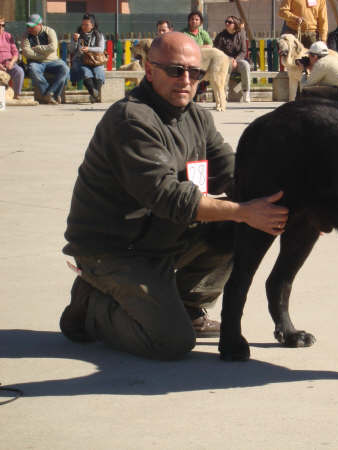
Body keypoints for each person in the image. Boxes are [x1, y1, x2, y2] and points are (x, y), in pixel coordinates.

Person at [59, 32, 289, 360]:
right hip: (114, 249)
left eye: (194, 73)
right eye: (175, 70)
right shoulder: (131, 120)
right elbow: (168, 197)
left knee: (237, 227)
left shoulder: (197, 116)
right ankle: (90, 308)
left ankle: (186, 304)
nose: (186, 80)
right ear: (149, 70)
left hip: (162, 236)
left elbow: (233, 172)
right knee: (170, 342)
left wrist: (293, 203)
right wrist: (241, 210)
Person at [21, 14, 69, 104]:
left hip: (53, 61)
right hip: (36, 62)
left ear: (39, 25)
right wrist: (44, 55)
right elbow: (26, 52)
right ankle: (52, 94)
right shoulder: (26, 35)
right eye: (28, 26)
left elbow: (53, 47)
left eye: (32, 26)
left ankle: (50, 94)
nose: (29, 29)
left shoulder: (50, 31)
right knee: (33, 69)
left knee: (65, 69)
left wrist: (37, 48)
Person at [69, 13, 105, 104]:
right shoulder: (77, 35)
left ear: (92, 25)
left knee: (99, 72)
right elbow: (72, 50)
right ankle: (95, 94)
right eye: (82, 24)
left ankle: (94, 94)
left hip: (95, 60)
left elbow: (101, 49)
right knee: (85, 71)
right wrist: (75, 41)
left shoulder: (99, 35)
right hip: (81, 60)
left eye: (86, 25)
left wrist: (89, 49)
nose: (84, 27)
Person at [214, 16, 252, 103]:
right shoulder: (221, 36)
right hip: (225, 61)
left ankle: (246, 92)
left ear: (235, 24)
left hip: (238, 60)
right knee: (227, 66)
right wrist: (229, 60)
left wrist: (235, 59)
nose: (227, 23)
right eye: (226, 21)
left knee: (245, 65)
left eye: (230, 22)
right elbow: (217, 51)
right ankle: (223, 93)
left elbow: (243, 51)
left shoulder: (241, 33)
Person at [0, 16, 24, 100]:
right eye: (0, 25)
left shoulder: (8, 36)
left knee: (19, 71)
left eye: (3, 25)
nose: (1, 27)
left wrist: (12, 62)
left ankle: (16, 95)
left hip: (9, 63)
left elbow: (15, 52)